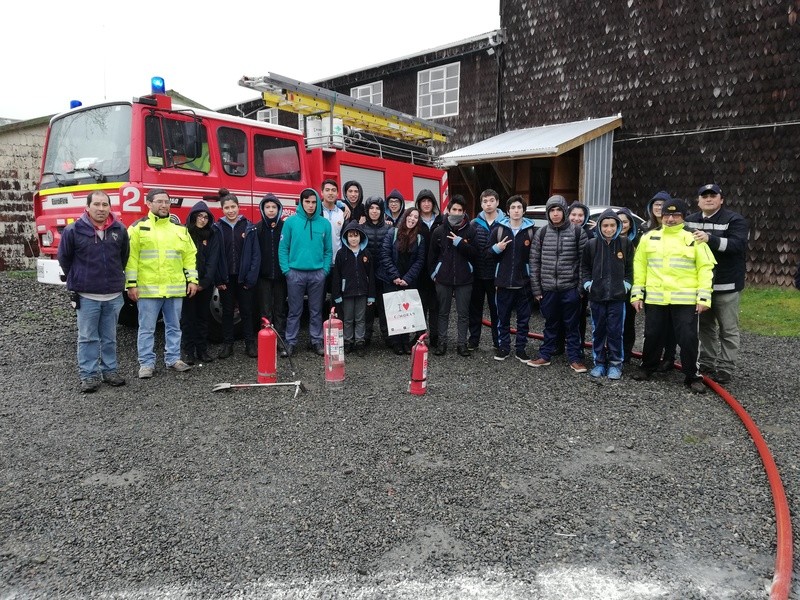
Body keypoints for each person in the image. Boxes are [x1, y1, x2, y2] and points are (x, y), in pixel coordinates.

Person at [631, 198, 717, 394]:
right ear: (661, 216)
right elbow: (640, 267)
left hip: (685, 300)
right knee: (652, 335)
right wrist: (637, 294)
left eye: (675, 215)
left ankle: (692, 376)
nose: (670, 219)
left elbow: (706, 268)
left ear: (683, 217)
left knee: (688, 338)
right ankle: (647, 367)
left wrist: (704, 298)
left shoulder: (694, 238)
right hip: (656, 298)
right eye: (667, 215)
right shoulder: (649, 237)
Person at [57, 190, 130, 392]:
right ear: (87, 207)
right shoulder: (73, 230)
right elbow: (64, 258)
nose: (101, 208)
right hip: (87, 296)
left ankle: (110, 371)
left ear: (110, 207)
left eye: (105, 204)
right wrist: (78, 278)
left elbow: (123, 257)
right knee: (88, 337)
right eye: (96, 204)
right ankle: (88, 375)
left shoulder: (119, 230)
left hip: (113, 295)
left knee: (110, 337)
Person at [126, 188, 198, 378]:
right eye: (159, 201)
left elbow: (190, 256)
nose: (164, 205)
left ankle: (173, 359)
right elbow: (131, 259)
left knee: (174, 327)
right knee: (146, 329)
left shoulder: (180, 229)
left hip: (174, 289)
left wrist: (192, 280)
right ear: (148, 204)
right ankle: (146, 364)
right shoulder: (138, 228)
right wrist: (131, 284)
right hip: (148, 290)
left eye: (166, 201)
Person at [684, 183, 749, 384]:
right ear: (698, 201)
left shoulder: (734, 220)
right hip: (701, 287)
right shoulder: (689, 221)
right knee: (705, 327)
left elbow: (737, 245)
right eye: (704, 196)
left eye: (713, 196)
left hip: (726, 285)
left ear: (721, 199)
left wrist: (710, 239)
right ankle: (707, 362)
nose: (709, 199)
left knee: (728, 329)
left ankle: (726, 367)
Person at [528, 194, 588, 372]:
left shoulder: (578, 232)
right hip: (548, 289)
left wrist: (580, 290)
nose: (555, 213)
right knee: (550, 324)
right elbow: (534, 262)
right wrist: (536, 289)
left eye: (558, 210)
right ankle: (545, 355)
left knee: (572, 326)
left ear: (564, 211)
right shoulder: (541, 233)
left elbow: (584, 263)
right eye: (552, 210)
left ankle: (575, 358)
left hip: (570, 288)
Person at [279, 188, 333, 357]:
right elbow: (283, 248)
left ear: (318, 203)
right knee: (294, 311)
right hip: (295, 273)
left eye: (313, 202)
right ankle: (290, 342)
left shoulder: (324, 224)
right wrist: (287, 271)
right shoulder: (290, 222)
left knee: (316, 310)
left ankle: (316, 340)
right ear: (301, 203)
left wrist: (324, 270)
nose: (310, 205)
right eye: (307, 202)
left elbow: (328, 250)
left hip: (317, 274)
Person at [580, 209, 633, 380]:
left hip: (617, 297)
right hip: (597, 296)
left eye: (612, 225)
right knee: (598, 331)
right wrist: (588, 284)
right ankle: (599, 363)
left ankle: (616, 364)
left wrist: (626, 284)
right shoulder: (591, 244)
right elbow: (585, 267)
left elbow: (630, 268)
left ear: (617, 226)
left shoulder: (625, 243)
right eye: (605, 225)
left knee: (616, 331)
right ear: (599, 227)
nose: (608, 229)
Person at [487, 195, 536, 362]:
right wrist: (496, 248)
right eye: (513, 208)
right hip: (503, 283)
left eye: (519, 207)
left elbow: (536, 257)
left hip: (524, 284)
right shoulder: (498, 230)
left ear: (523, 210)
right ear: (507, 211)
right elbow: (487, 253)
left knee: (524, 320)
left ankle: (521, 349)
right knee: (503, 318)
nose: (516, 210)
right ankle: (504, 348)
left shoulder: (531, 231)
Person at [213, 189, 260, 359]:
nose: (230, 210)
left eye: (233, 207)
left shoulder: (249, 227)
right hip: (226, 279)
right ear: (222, 209)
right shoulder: (217, 228)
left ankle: (250, 344)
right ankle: (228, 345)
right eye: (227, 208)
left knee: (246, 311)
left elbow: (255, 255)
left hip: (244, 278)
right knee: (227, 312)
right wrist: (218, 279)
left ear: (239, 207)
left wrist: (251, 278)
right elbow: (215, 256)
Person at [429, 194, 478, 356]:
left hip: (464, 279)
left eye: (460, 210)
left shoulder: (471, 230)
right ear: (448, 210)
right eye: (454, 209)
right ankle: (442, 343)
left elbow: (475, 254)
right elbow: (432, 256)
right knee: (443, 313)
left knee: (463, 314)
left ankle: (462, 344)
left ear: (464, 212)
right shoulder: (439, 231)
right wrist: (434, 274)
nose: (457, 213)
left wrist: (460, 243)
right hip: (443, 279)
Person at [380, 207, 426, 354]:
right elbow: (385, 255)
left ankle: (405, 341)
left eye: (416, 217)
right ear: (405, 216)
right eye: (410, 215)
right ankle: (396, 342)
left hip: (408, 281)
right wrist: (395, 276)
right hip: (391, 279)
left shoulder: (419, 239)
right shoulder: (392, 233)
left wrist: (407, 278)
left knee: (406, 312)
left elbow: (419, 261)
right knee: (395, 311)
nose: (412, 219)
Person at [181, 201, 220, 364]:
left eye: (205, 217)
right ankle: (188, 351)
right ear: (193, 217)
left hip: (205, 284)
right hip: (187, 284)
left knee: (203, 318)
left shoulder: (212, 235)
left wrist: (203, 283)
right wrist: (190, 282)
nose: (202, 220)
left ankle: (202, 350)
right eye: (199, 216)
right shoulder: (184, 233)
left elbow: (213, 260)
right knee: (187, 319)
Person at [643, 190, 678, 372]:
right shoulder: (644, 228)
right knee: (653, 326)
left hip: (672, 285)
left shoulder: (677, 230)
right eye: (656, 204)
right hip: (651, 284)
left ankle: (669, 357)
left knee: (671, 325)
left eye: (663, 205)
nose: (659, 208)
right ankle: (651, 360)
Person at [468, 189, 504, 351]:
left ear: (497, 202)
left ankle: (498, 341)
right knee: (475, 309)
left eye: (491, 201)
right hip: (477, 274)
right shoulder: (474, 224)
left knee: (496, 309)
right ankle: (473, 339)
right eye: (485, 201)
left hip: (496, 275)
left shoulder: (505, 223)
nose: (488, 204)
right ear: (481, 204)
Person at [332, 222, 375, 356]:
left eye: (356, 236)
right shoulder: (341, 254)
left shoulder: (366, 254)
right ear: (346, 238)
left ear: (361, 237)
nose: (353, 239)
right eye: (350, 236)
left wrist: (371, 295)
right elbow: (337, 276)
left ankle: (359, 342)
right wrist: (337, 294)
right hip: (347, 293)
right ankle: (348, 341)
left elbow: (371, 276)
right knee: (348, 319)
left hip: (362, 292)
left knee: (360, 319)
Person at [256, 193, 288, 353]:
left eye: (274, 207)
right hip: (264, 277)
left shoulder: (284, 227)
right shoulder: (258, 228)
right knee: (265, 311)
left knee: (280, 310)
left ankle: (280, 340)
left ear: (279, 209)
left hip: (281, 276)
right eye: (267, 207)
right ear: (262, 209)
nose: (270, 210)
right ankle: (267, 341)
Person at [360, 196, 392, 348]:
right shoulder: (360, 228)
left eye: (377, 208)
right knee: (367, 307)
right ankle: (365, 337)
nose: (374, 211)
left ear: (382, 210)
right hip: (366, 275)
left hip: (384, 275)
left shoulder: (389, 229)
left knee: (385, 307)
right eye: (371, 208)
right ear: (367, 210)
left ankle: (388, 337)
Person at [415, 189, 443, 347]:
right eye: (423, 201)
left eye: (429, 201)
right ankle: (419, 336)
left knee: (435, 306)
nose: (426, 204)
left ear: (433, 204)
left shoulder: (441, 221)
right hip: (418, 270)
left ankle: (435, 337)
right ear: (419, 204)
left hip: (437, 270)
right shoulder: (414, 220)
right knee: (419, 306)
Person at [616, 207, 641, 362]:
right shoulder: (606, 240)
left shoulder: (638, 241)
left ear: (630, 224)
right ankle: (611, 351)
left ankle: (626, 353)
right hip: (611, 288)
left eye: (625, 222)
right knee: (611, 322)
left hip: (630, 287)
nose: (622, 225)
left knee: (628, 322)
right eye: (618, 222)